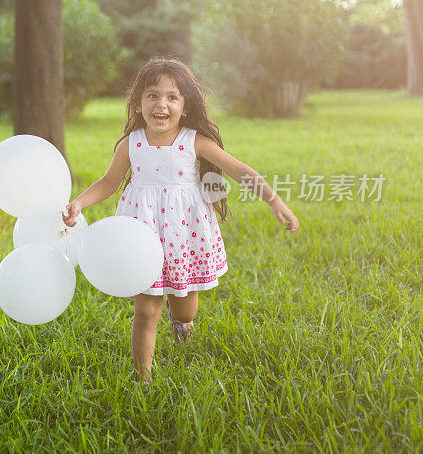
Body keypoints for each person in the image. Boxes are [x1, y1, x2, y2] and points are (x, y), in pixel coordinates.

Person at [62, 57, 299, 383]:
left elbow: (239, 171)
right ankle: (143, 379)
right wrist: (79, 202)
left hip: (185, 236)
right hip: (141, 235)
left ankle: (181, 322)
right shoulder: (131, 143)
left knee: (185, 309)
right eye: (152, 95)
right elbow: (108, 183)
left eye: (172, 97)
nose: (162, 104)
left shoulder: (195, 141)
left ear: (186, 106)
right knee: (146, 311)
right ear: (139, 102)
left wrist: (274, 200)